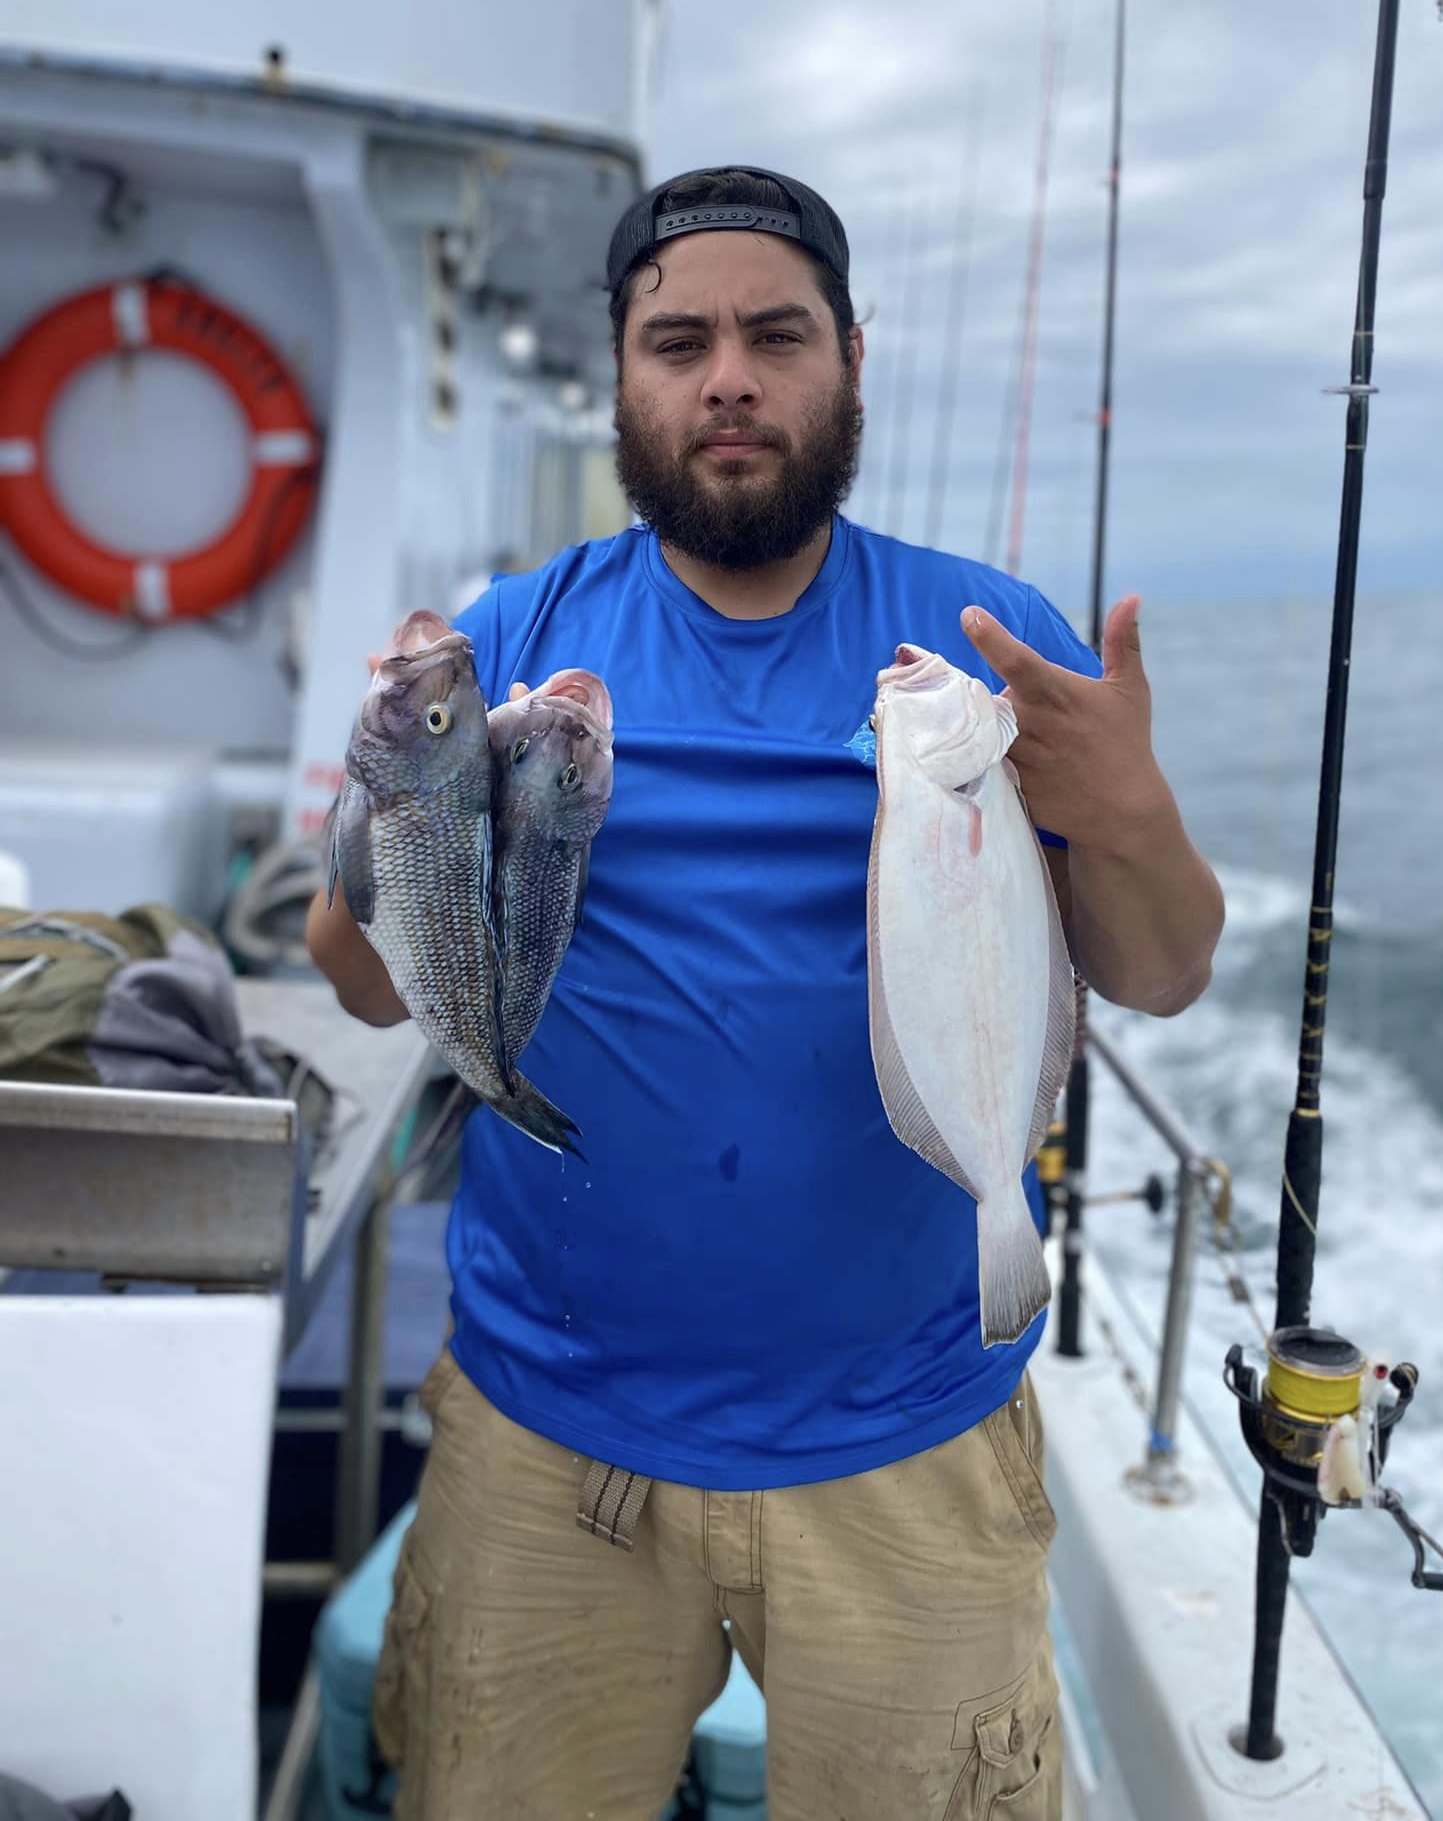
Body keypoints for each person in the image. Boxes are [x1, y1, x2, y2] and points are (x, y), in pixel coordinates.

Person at [305, 165, 1225, 1821]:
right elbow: (367, 992)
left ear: (849, 361)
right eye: (680, 343)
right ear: (624, 377)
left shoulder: (984, 641)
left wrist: (1132, 810)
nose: (727, 378)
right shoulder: (519, 634)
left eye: (777, 336)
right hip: (547, 1438)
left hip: (912, 1442)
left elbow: (1162, 971)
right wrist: (392, 814)